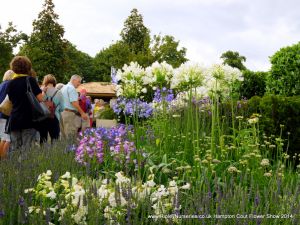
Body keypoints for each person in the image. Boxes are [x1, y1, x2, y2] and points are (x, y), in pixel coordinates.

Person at [6, 56, 43, 151]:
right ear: (28, 67)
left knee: (15, 150)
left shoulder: (10, 83)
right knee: (27, 150)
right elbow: (40, 98)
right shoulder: (30, 80)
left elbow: (10, 100)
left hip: (14, 119)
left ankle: (14, 166)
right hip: (29, 119)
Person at [36, 74, 64, 144]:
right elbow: (62, 108)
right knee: (55, 139)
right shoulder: (59, 92)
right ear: (54, 82)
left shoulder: (41, 91)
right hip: (54, 117)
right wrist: (56, 109)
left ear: (45, 81)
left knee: (43, 139)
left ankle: (42, 154)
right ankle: (54, 154)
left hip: (42, 118)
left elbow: (37, 103)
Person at [0, 70, 14, 158]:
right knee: (7, 138)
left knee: (2, 138)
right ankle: (4, 159)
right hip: (7, 114)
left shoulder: (1, 85)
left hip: (1, 113)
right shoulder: (10, 85)